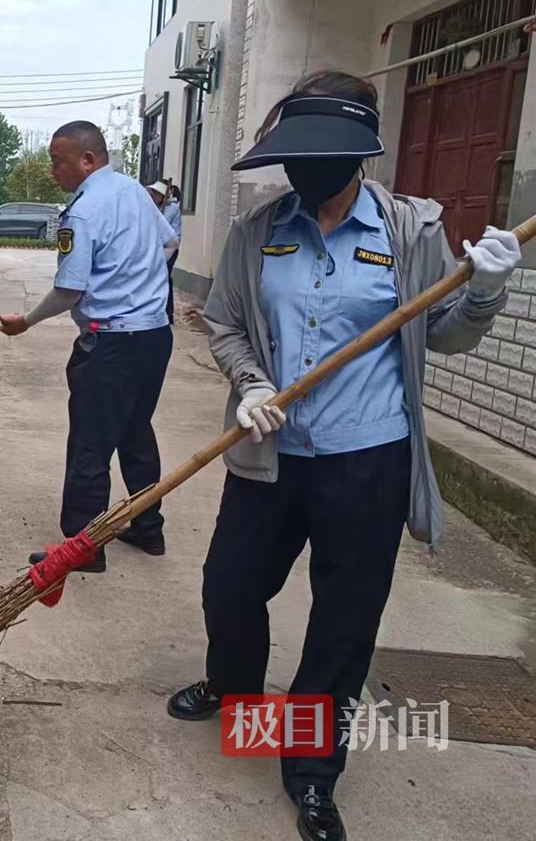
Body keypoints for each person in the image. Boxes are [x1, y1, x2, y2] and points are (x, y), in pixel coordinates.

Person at [166, 71, 521, 841]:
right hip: (270, 451)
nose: (303, 173)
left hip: (369, 459)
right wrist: (252, 382)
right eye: (292, 158)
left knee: (344, 621)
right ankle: (234, 690)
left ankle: (312, 773)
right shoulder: (259, 231)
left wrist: (486, 292)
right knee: (230, 587)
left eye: (318, 159)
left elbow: (447, 332)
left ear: (356, 156)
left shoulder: (411, 231)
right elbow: (223, 321)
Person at [0, 121, 177, 571]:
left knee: (90, 444)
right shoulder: (135, 192)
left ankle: (84, 547)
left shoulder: (80, 212)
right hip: (154, 335)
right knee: (136, 432)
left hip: (113, 342)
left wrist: (27, 321)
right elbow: (169, 243)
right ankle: (148, 527)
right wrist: (142, 283)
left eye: (58, 162)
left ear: (88, 160)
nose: (54, 170)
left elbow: (69, 290)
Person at [148, 180, 182, 322]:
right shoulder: (157, 207)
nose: (153, 196)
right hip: (159, 247)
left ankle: (168, 314)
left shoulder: (172, 208)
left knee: (164, 278)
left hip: (170, 248)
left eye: (156, 193)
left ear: (163, 196)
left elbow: (162, 226)